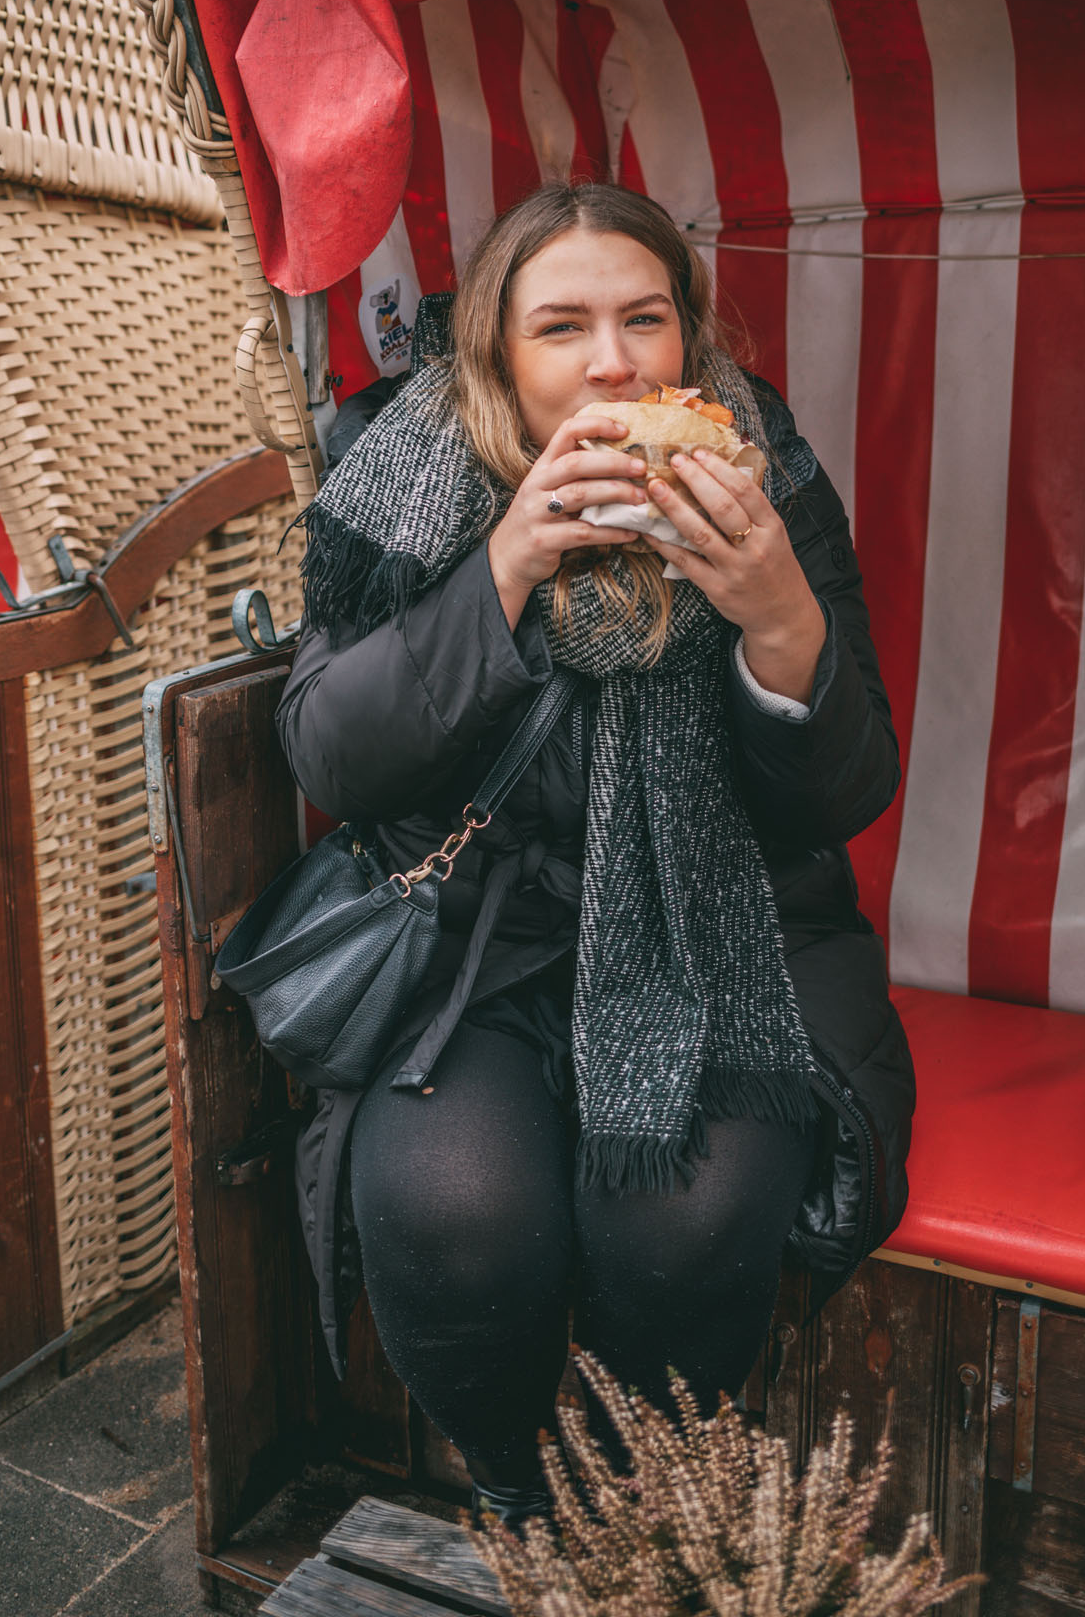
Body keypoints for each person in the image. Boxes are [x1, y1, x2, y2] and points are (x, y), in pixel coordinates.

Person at [276, 181, 915, 1528]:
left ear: (690, 339)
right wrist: (506, 561)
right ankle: (517, 1500)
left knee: (682, 1228)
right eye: (563, 325)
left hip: (728, 927)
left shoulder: (760, 467)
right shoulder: (407, 465)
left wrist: (780, 620)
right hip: (474, 944)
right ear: (498, 353)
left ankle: (639, 1518)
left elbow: (847, 790)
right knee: (451, 1209)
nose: (615, 360)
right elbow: (331, 752)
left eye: (646, 318)